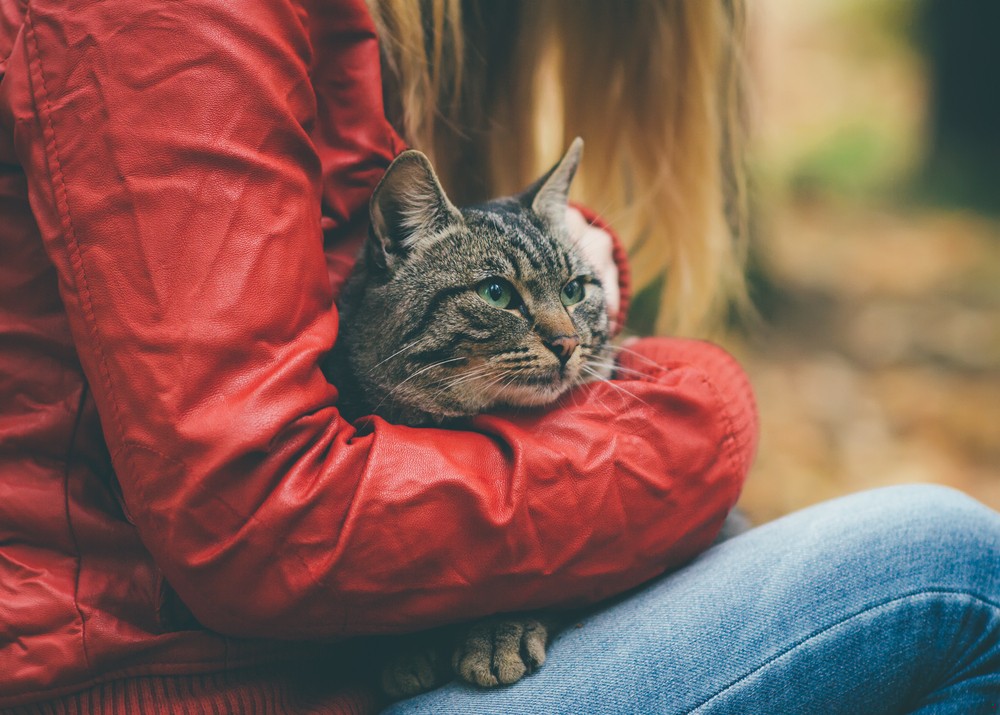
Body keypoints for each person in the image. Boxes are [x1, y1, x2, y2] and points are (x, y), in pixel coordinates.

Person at [0, 3, 996, 715]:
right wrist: (710, 421)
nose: (561, 337)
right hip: (211, 685)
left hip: (272, 664)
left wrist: (572, 274)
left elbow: (335, 266)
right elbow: (262, 510)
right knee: (952, 576)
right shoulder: (162, 21)